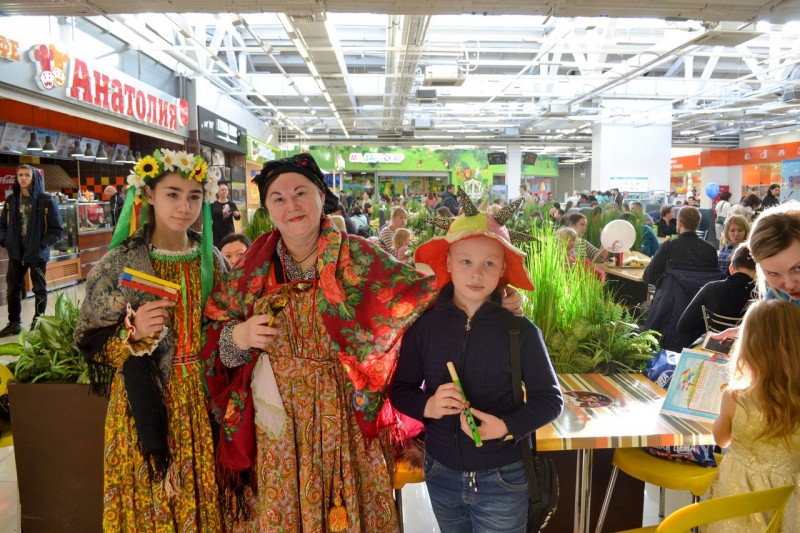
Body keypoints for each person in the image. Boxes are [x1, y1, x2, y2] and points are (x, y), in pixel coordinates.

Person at [201, 165, 523, 530]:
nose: (291, 205)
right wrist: (239, 336)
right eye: (278, 198)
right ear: (268, 209)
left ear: (322, 196)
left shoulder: (360, 257)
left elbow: (419, 296)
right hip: (277, 419)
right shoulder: (252, 269)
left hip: (346, 413)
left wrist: (492, 300)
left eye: (301, 193)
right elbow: (213, 336)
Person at [73, 149, 227, 531]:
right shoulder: (119, 262)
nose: (184, 206)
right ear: (149, 195)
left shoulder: (214, 261)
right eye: (173, 194)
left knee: (203, 496)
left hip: (202, 401)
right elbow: (89, 339)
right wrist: (133, 331)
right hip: (143, 401)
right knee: (151, 502)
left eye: (194, 196)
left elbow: (226, 327)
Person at [390, 202, 562, 533]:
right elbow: (401, 389)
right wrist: (429, 405)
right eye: (466, 261)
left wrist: (506, 427)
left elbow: (550, 400)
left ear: (503, 268)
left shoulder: (520, 331)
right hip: (440, 472)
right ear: (448, 262)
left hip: (504, 477)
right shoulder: (425, 327)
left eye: (489, 263)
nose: (476, 273)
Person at [709, 299, 800, 532]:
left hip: (738, 501)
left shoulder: (735, 397)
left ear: (748, 346)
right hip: (788, 499)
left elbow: (721, 440)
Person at [0, 164, 64, 336]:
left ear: (34, 177)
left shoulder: (46, 200)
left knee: (39, 289)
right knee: (12, 290)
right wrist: (6, 241)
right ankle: (14, 323)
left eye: (27, 175)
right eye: (20, 175)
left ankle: (39, 323)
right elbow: (2, 225)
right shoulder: (11, 200)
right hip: (16, 253)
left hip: (37, 254)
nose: (23, 178)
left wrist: (41, 244)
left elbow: (57, 230)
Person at [676, 244, 756, 344]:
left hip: (714, 347)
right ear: (759, 271)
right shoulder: (761, 295)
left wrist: (709, 323)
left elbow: (682, 326)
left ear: (731, 269)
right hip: (745, 349)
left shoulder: (711, 288)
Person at [211, 182, 242, 248]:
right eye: (222, 190)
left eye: (226, 190)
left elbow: (238, 218)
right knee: (218, 250)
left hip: (229, 232)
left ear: (228, 192)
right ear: (218, 192)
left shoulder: (232, 204)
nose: (224, 191)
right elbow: (210, 218)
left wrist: (237, 215)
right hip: (217, 234)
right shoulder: (214, 205)